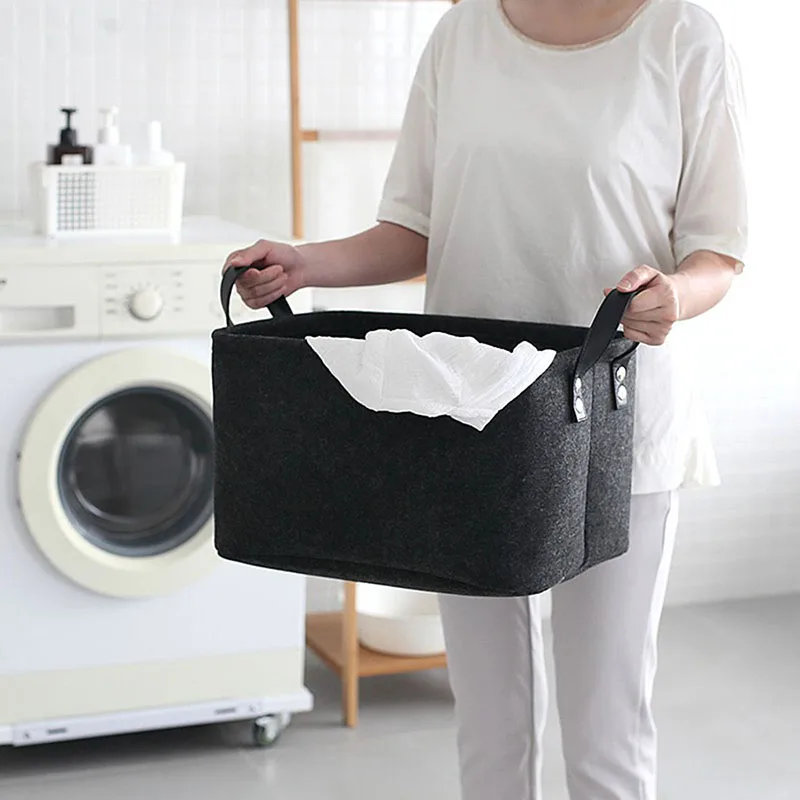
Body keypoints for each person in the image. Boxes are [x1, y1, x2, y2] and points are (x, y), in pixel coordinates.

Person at [223, 0, 747, 797]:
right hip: (470, 420)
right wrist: (305, 264)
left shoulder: (682, 37)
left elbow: (718, 252)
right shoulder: (462, 32)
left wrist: (675, 294)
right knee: (489, 730)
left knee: (606, 733)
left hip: (610, 419)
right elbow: (414, 229)